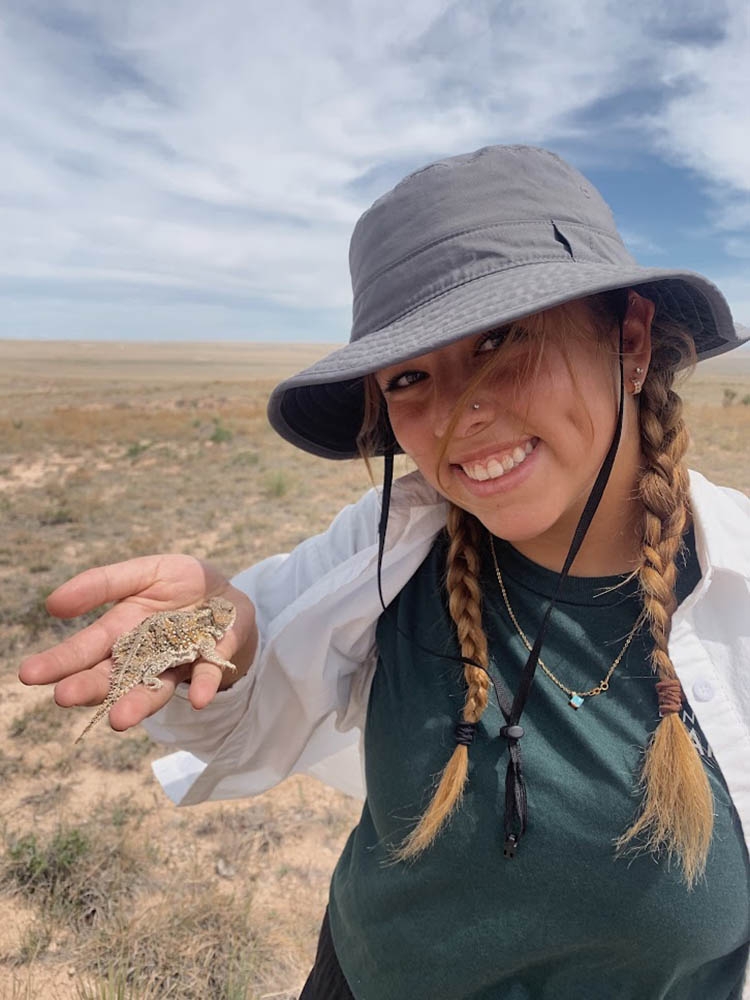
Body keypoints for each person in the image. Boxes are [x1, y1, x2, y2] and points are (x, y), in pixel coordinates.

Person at [19, 146, 750, 999]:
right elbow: (242, 726)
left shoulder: (735, 588)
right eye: (409, 377)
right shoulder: (395, 546)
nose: (455, 418)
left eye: (502, 339)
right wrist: (235, 644)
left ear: (629, 341)